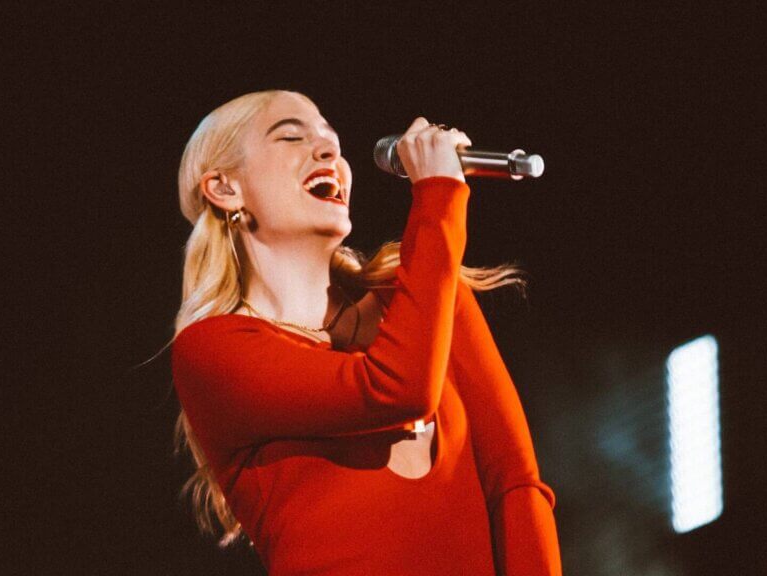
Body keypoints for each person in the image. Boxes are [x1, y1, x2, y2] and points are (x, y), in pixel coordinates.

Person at [169, 89, 562, 575]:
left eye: (332, 142)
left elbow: (515, 484)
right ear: (225, 188)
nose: (328, 151)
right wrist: (439, 194)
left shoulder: (423, 295)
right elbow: (396, 389)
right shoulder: (212, 350)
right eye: (291, 137)